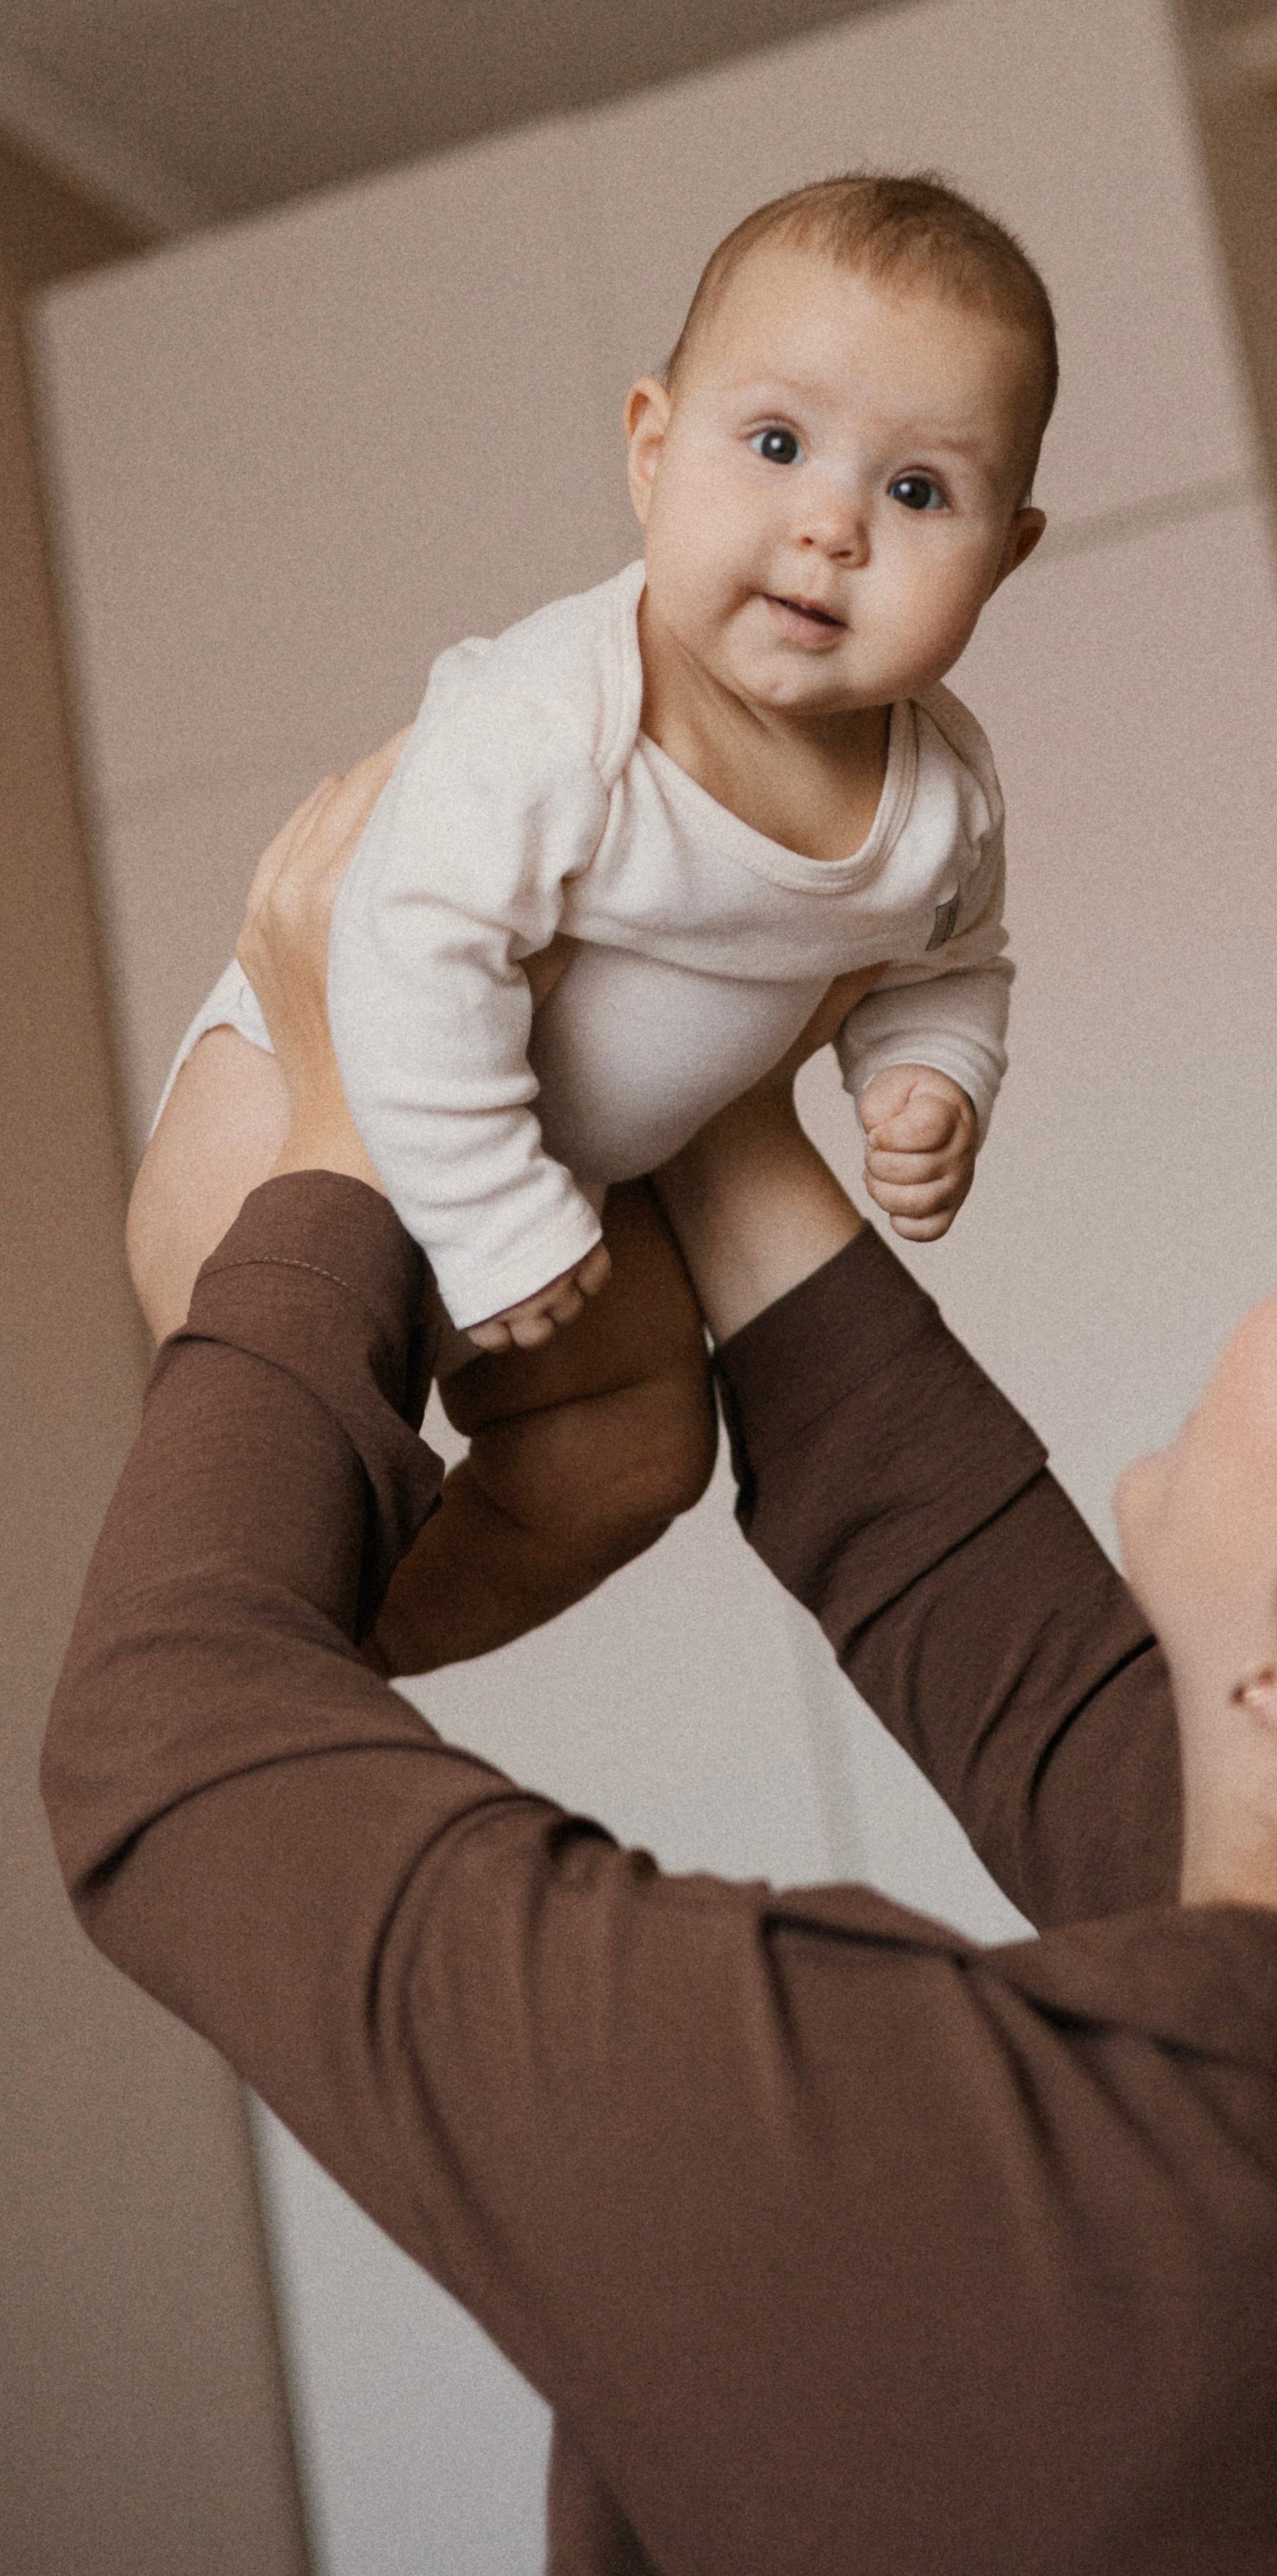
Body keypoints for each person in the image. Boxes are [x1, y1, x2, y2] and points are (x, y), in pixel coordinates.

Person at [48, 753, 1277, 2576]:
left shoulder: (968, 2194)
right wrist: (703, 1058)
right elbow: (1000, 1627)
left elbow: (171, 1740)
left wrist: (350, 1099)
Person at [127, 171, 1052, 1676]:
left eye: (916, 492)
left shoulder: (940, 796)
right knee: (275, 1437)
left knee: (634, 1459)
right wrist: (487, 1215)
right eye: (774, 445)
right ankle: (257, 1604)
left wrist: (927, 1076)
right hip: (308, 1098)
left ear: (1004, 555)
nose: (830, 527)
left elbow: (951, 962)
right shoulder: (561, 714)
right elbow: (410, 945)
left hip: (581, 1184)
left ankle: (348, 1656)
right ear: (650, 448)